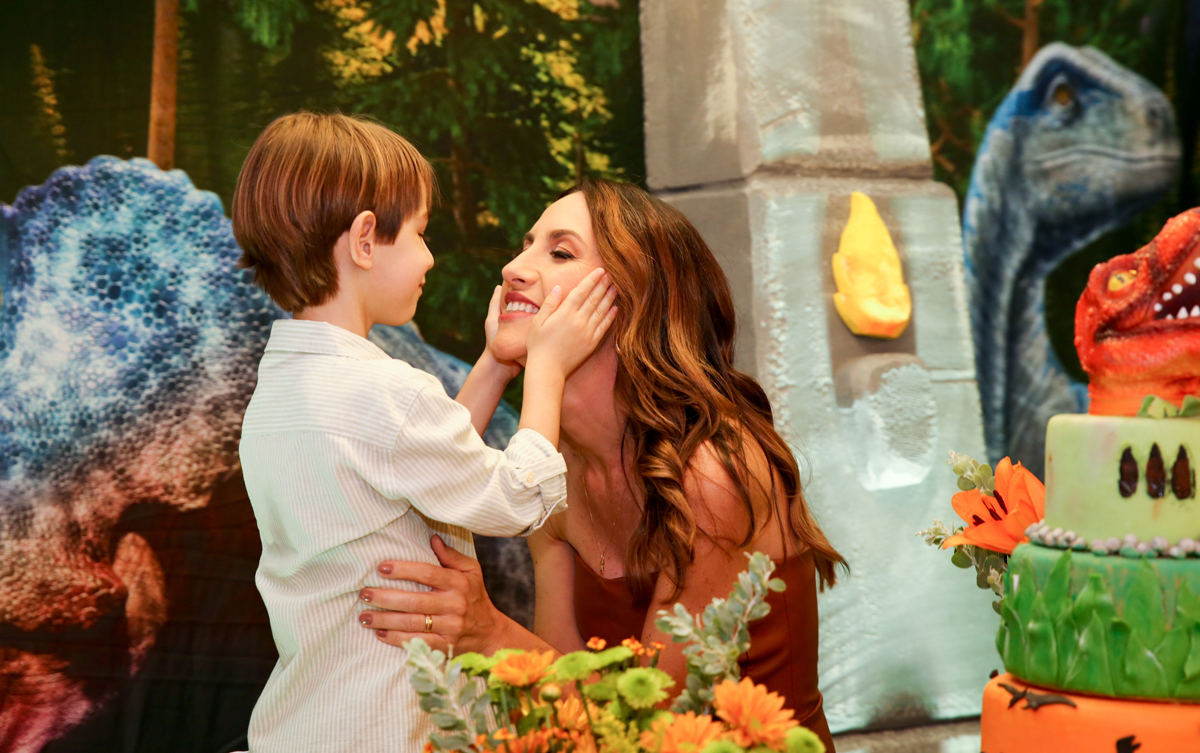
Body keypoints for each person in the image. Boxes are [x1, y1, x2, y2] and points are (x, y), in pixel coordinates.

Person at [357, 179, 846, 752]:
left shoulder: (714, 474)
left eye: (560, 252)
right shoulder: (555, 466)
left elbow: (652, 716)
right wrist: (496, 361)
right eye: (526, 245)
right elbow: (563, 698)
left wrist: (486, 630)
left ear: (637, 299)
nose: (513, 268)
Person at [230, 112, 618, 753]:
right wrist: (547, 366)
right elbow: (517, 498)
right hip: (392, 726)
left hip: (307, 722)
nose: (430, 257)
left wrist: (494, 364)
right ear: (364, 241)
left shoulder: (282, 389)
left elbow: (424, 466)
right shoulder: (384, 390)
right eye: (419, 233)